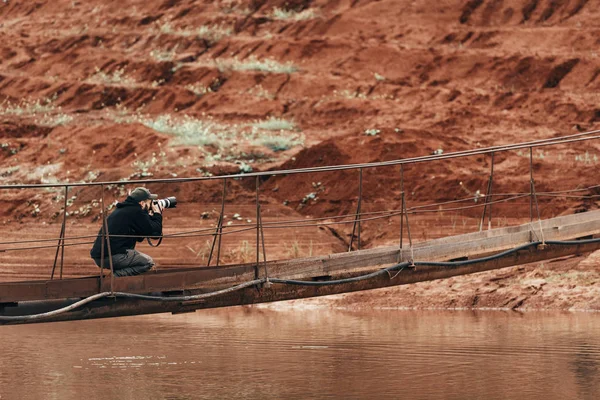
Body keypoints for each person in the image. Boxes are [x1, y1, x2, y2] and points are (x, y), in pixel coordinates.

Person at [90, 187, 163, 277]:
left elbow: (141, 236)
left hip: (100, 256)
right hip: (113, 256)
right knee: (148, 263)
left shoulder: (124, 209)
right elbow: (155, 233)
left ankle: (119, 280)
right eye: (150, 201)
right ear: (142, 203)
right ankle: (115, 277)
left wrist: (149, 217)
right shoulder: (136, 211)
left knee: (135, 259)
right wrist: (158, 214)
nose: (152, 204)